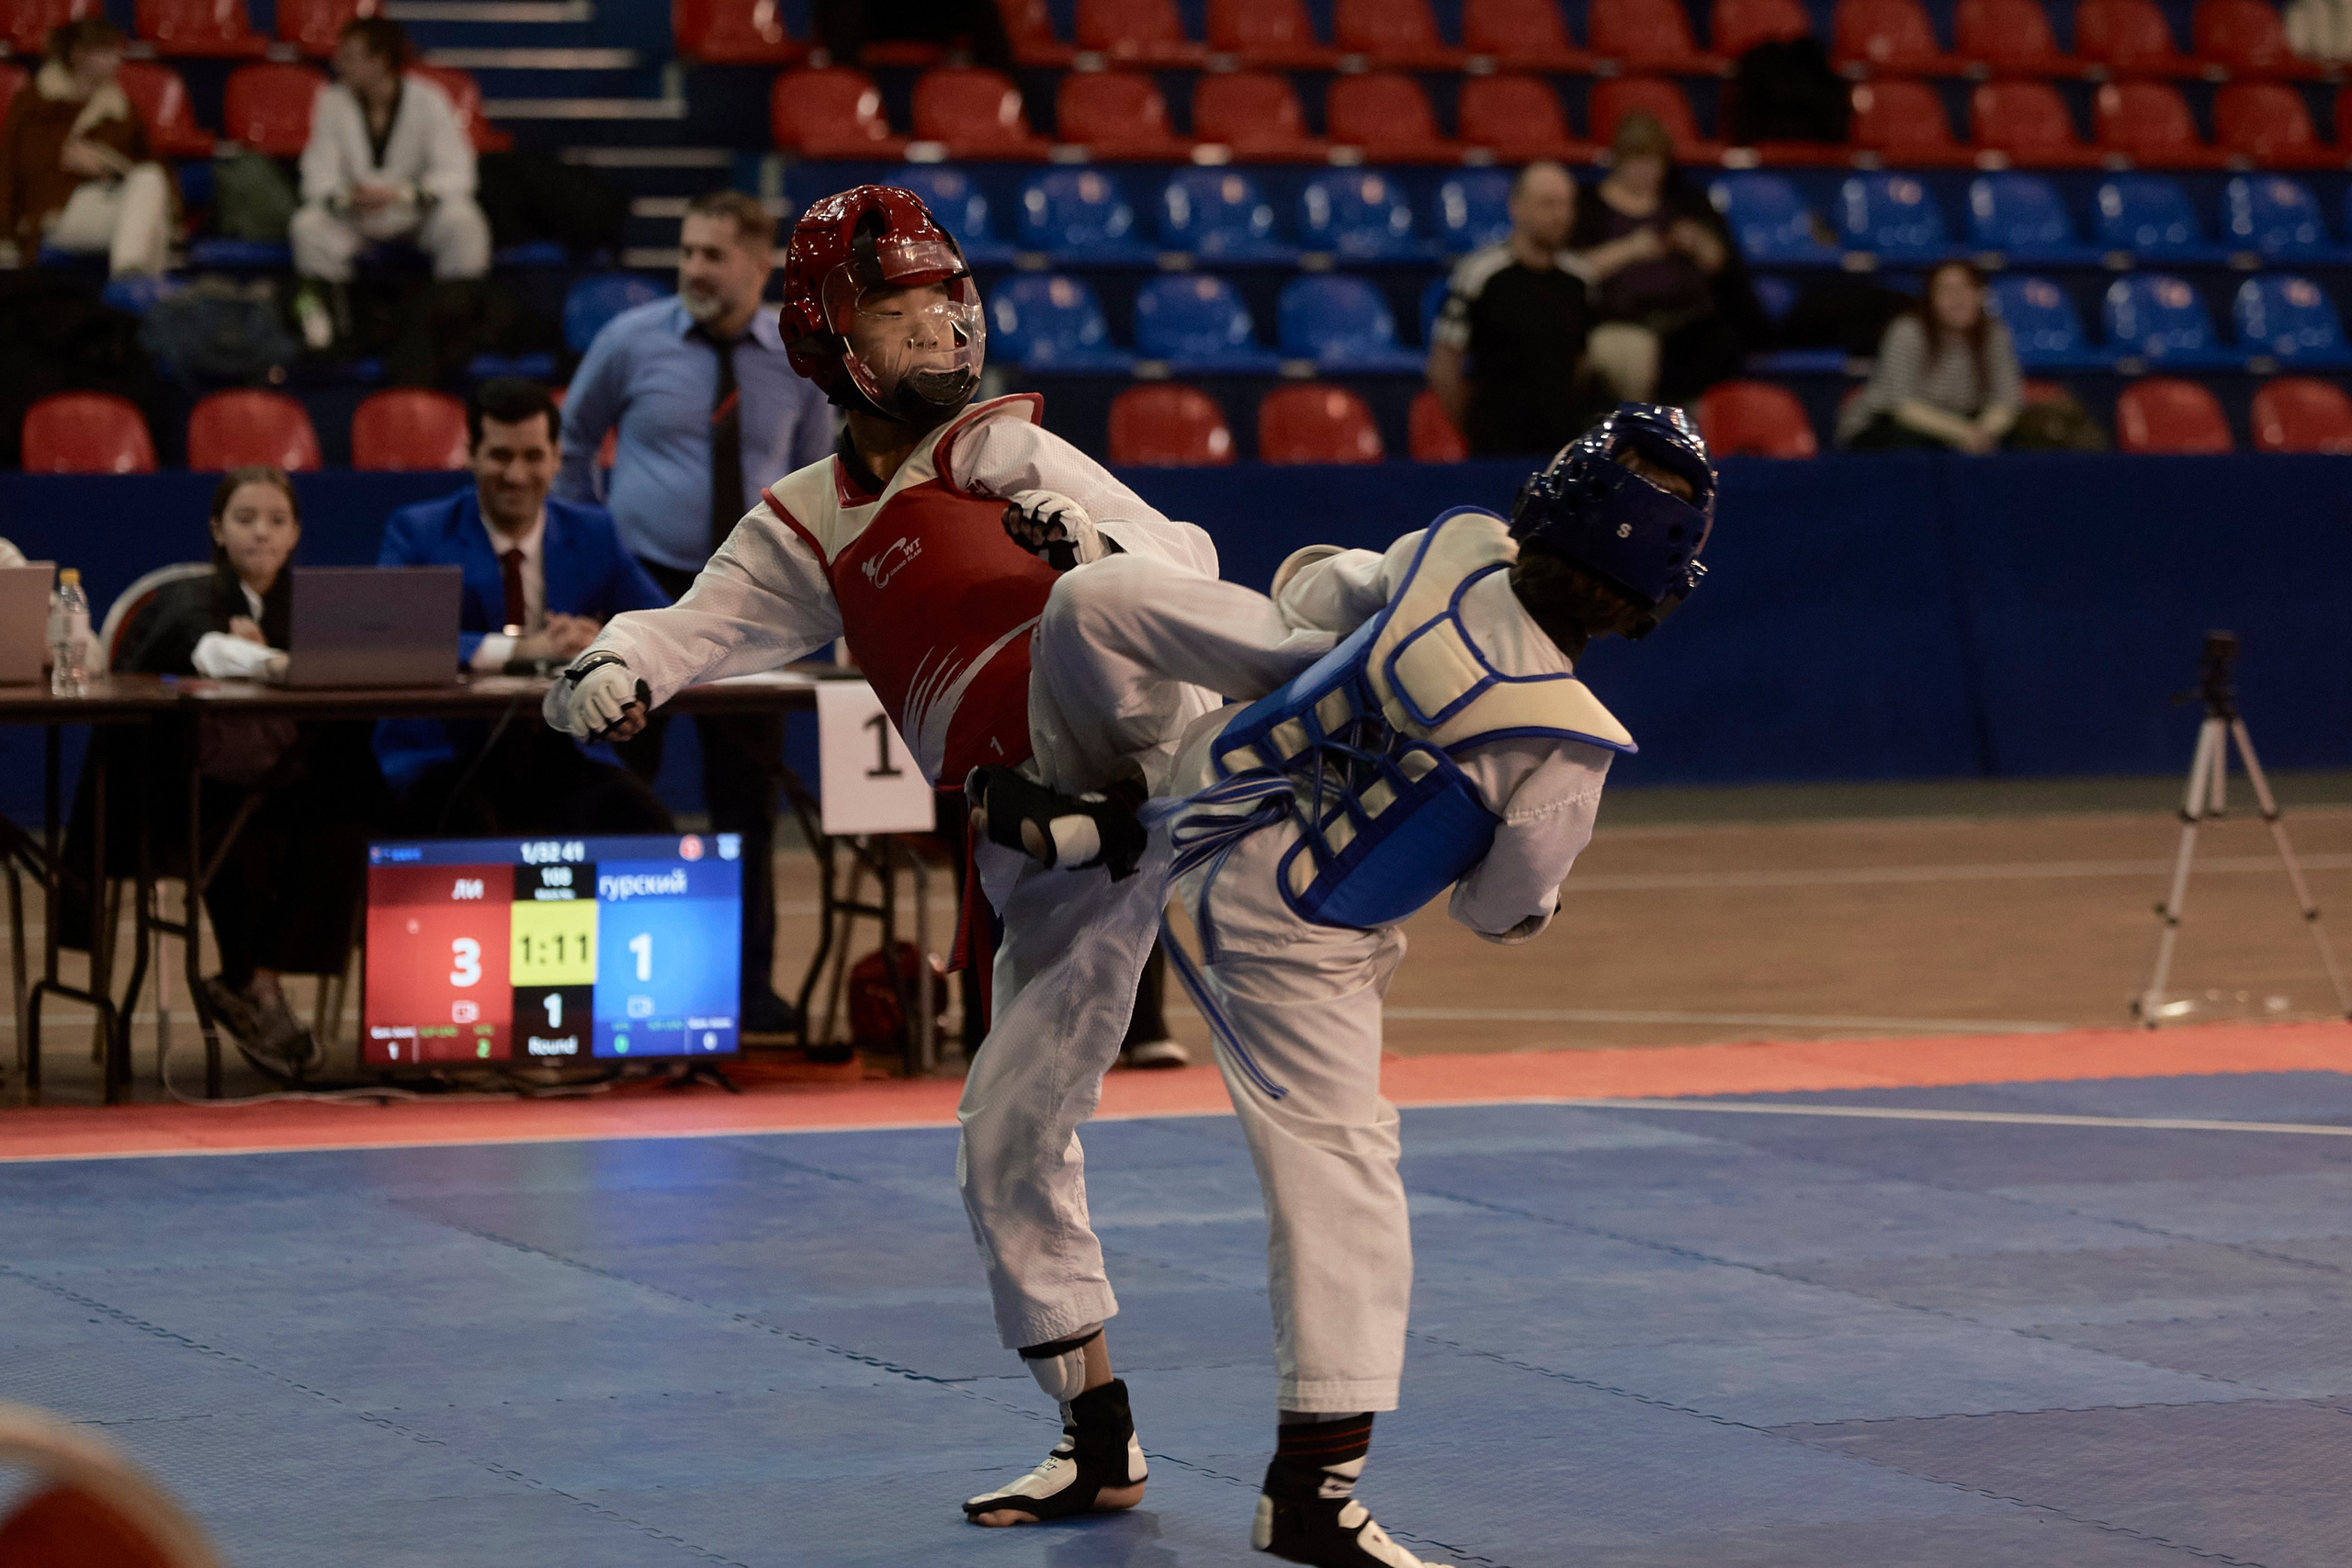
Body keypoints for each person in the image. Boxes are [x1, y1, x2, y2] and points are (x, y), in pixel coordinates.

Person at [542, 186, 1224, 1519]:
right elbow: (697, 622)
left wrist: (1091, 544)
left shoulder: (1003, 448)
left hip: (1161, 746)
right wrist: (615, 665)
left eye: (941, 303)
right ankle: (1098, 1438)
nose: (936, 331)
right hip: (1047, 847)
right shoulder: (811, 520)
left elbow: (1184, 558)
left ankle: (1320, 710)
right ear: (830, 336)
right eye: (897, 311)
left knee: (1106, 600)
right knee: (1004, 1136)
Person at [967, 405, 1717, 1567]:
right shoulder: (1566, 746)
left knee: (1100, 602)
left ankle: (1101, 803)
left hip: (1200, 797)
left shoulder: (1453, 551)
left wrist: (1363, 657)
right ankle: (1314, 1490)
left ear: (1540, 502)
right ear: (1654, 597)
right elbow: (1498, 912)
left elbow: (1310, 591)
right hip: (1288, 939)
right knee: (1341, 1173)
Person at [556, 188, 836, 1040]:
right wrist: (593, 552)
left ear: (759, 264)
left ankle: (749, 992)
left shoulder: (799, 359)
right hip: (639, 594)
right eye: (687, 252)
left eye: (713, 254)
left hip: (746, 607)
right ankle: (606, 987)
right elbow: (574, 445)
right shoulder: (630, 340)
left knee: (745, 803)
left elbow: (818, 478)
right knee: (621, 794)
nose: (694, 269)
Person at [118, 468, 390, 1073]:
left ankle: (255, 980)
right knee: (242, 832)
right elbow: (198, 644)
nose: (261, 533)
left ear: (295, 534)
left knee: (350, 821)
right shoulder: (190, 597)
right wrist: (266, 661)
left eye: (276, 520)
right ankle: (253, 986)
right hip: (191, 789)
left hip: (287, 780)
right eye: (245, 519)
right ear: (218, 529)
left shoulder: (319, 611)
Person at [375, 378, 673, 836]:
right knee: (471, 827)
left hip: (568, 752)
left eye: (533, 456)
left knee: (643, 821)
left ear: (556, 458)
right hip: (448, 754)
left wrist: (604, 644)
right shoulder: (418, 532)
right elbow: (392, 633)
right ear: (471, 455)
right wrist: (520, 649)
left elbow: (661, 628)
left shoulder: (595, 534)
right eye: (500, 455)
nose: (516, 475)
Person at [1570, 112, 1762, 406]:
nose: (1647, 171)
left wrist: (1697, 242)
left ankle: (1688, 417)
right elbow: (1573, 268)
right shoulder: (1588, 205)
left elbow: (1722, 265)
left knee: (1723, 340)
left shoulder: (1685, 201)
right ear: (1618, 160)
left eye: (1654, 162)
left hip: (1686, 322)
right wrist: (1630, 249)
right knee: (1629, 352)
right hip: (1619, 320)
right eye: (1637, 161)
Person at [1426, 161, 1610, 457]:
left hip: (1562, 447)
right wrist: (1474, 429)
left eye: (1567, 205)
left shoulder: (1581, 280)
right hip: (1496, 446)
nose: (1560, 215)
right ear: (1517, 208)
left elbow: (1582, 363)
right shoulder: (1478, 275)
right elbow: (1444, 365)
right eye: (1548, 204)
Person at [290, 17, 489, 289]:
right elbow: (317, 171)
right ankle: (333, 310)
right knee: (307, 226)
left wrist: (404, 194)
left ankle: (458, 308)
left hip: (414, 214)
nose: (338, 65)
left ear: (380, 61)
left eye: (349, 58)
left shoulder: (429, 99)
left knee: (463, 222)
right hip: (355, 214)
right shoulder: (331, 101)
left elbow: (457, 171)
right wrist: (348, 195)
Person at [0, 17, 171, 277]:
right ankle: (132, 283)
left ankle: (129, 276)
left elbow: (149, 161)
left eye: (116, 52)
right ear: (78, 55)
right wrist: (69, 162)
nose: (116, 60)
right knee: (152, 225)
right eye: (105, 52)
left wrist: (105, 167)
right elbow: (18, 168)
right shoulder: (36, 102)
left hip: (112, 200)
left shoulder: (122, 108)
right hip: (55, 212)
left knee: (151, 179)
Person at [1838, 259, 2024, 453]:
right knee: (1907, 441)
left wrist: (1982, 433)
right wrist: (1963, 433)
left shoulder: (1995, 334)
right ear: (1930, 298)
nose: (1958, 298)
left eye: (1967, 287)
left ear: (1981, 294)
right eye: (1946, 290)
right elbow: (1902, 407)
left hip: (1966, 424)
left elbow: (2007, 401)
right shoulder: (1906, 331)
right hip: (1889, 422)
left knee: (2014, 436)